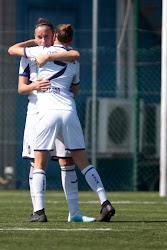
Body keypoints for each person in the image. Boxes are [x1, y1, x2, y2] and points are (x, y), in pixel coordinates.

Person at [11, 23, 115, 222]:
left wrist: (46, 56)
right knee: (82, 162)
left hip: (45, 112)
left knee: (42, 163)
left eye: (45, 36)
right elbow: (73, 81)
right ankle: (104, 202)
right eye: (38, 37)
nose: (42, 41)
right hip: (66, 110)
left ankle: (43, 212)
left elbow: (12, 49)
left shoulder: (37, 53)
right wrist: (37, 85)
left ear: (53, 36)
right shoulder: (71, 58)